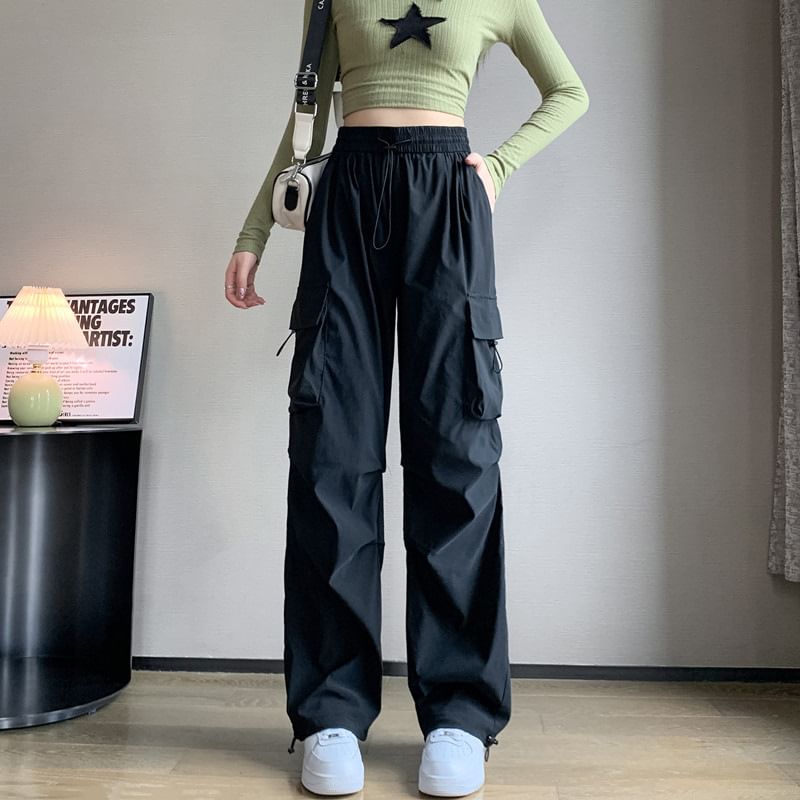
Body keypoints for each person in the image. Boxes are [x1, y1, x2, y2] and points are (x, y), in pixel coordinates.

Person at [225, 0, 588, 796]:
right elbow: (305, 126)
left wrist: (499, 165)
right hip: (347, 196)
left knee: (457, 455)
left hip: (448, 198)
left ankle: (459, 715)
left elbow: (569, 91)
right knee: (330, 455)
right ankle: (330, 712)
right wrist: (255, 231)